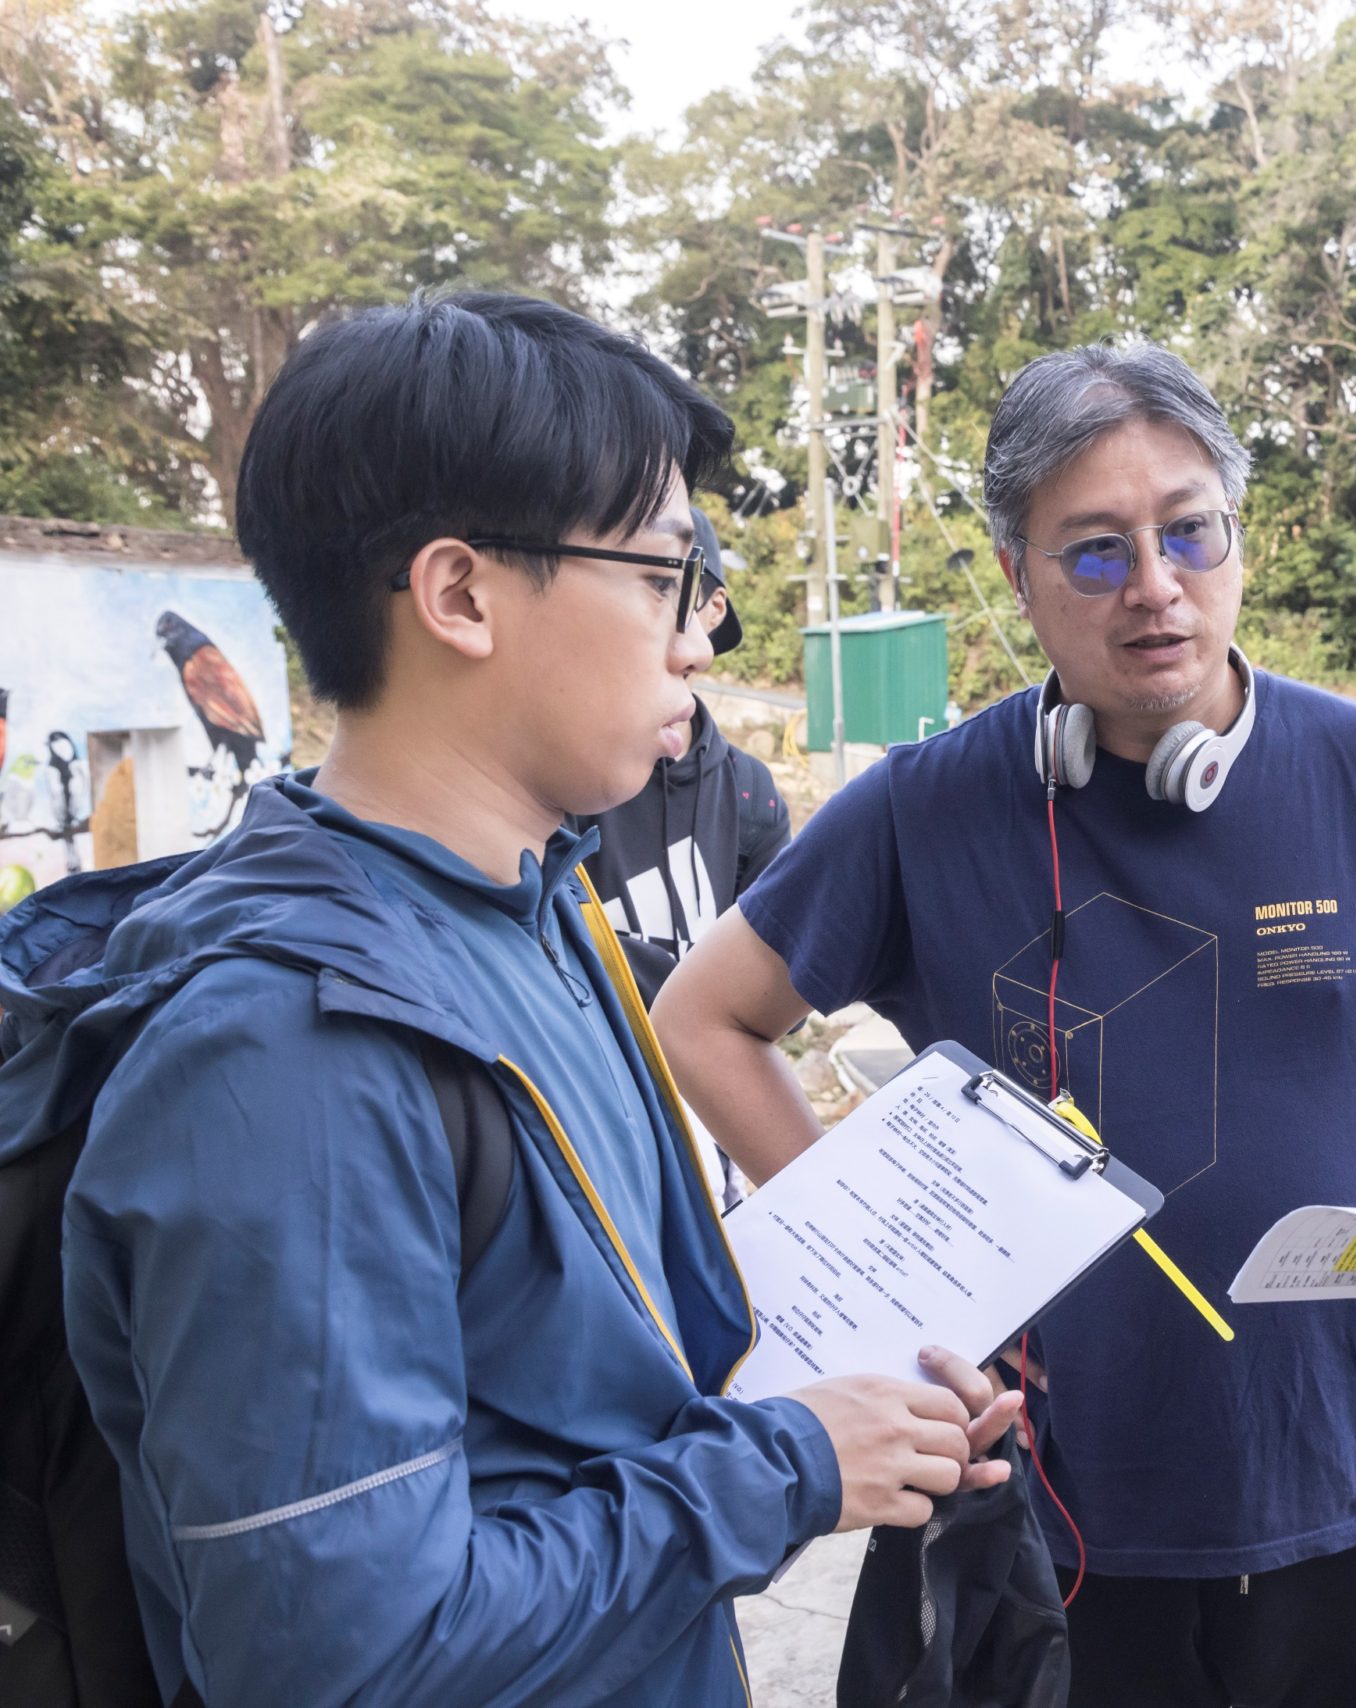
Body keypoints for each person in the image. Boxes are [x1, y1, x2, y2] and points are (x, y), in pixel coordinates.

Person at [0, 291, 1016, 1708]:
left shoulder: (542, 910)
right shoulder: (289, 1054)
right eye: (670, 572)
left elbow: (599, 1377)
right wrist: (784, 1467)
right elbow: (336, 1659)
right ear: (461, 595)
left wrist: (859, 1399)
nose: (701, 641)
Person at [654, 338, 1356, 1708]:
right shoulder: (922, 810)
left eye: (1190, 533)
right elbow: (702, 1016)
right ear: (1017, 575)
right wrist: (908, 1276)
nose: (1157, 587)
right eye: (1096, 553)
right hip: (1053, 1524)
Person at [569, 504, 790, 1205]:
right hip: (596, 1148)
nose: (687, 646)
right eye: (655, 586)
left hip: (707, 1159)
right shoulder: (572, 779)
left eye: (680, 590)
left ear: (714, 607)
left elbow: (776, 993)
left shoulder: (749, 793)